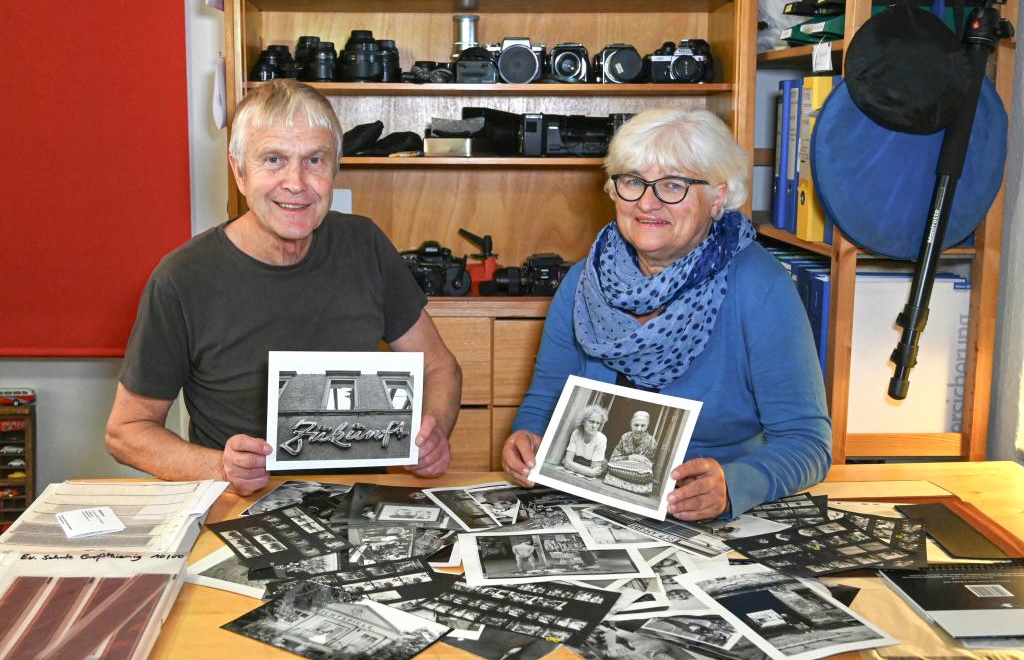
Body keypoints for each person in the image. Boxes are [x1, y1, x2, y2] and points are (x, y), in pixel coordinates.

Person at [105, 80, 462, 495]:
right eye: (273, 159)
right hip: (237, 505)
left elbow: (439, 366)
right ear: (239, 171)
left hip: (359, 501)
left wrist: (432, 434)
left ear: (335, 170)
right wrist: (220, 466)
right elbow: (126, 431)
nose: (296, 182)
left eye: (315, 160)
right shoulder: (182, 278)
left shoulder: (364, 244)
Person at [501, 107, 831, 520]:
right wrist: (526, 438)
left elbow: (808, 442)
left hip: (707, 519)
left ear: (718, 197)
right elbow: (545, 401)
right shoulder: (583, 280)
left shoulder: (760, 286)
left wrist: (733, 485)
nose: (647, 202)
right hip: (590, 505)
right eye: (633, 181)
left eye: (673, 185)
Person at [560, 404, 609, 478]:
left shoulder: (601, 438)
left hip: (600, 465)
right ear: (583, 421)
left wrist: (572, 465)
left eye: (598, 423)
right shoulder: (576, 433)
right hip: (585, 465)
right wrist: (589, 471)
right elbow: (567, 462)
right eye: (591, 422)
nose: (594, 426)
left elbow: (595, 470)